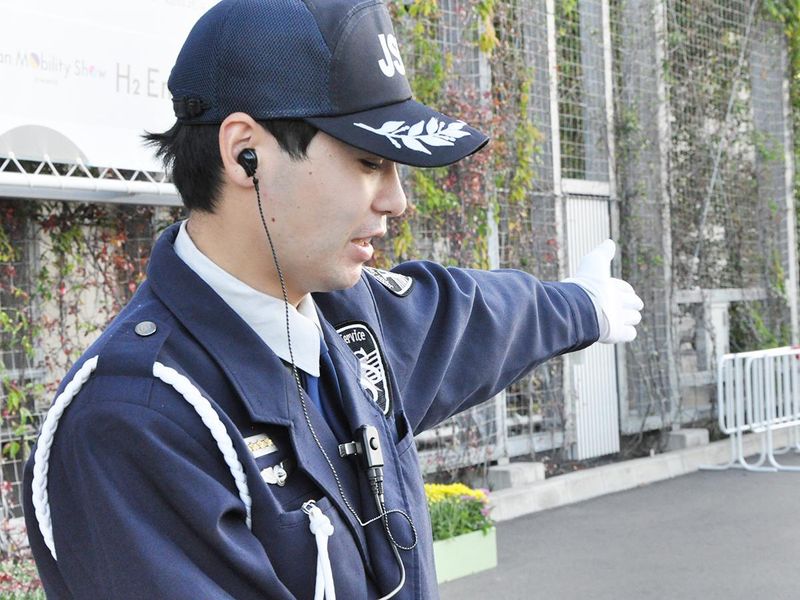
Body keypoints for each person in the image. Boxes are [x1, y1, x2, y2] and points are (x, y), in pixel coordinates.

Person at [23, 1, 643, 598]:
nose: (396, 200)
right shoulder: (135, 419)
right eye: (370, 161)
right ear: (245, 153)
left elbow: (481, 317)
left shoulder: (346, 317)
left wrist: (585, 306)